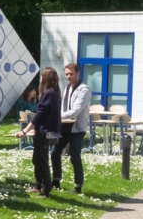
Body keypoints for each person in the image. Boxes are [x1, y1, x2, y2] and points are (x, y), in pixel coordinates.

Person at [17, 67, 60, 197]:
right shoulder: (53, 93)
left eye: (42, 76)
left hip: (43, 132)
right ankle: (37, 185)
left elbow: (39, 115)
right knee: (37, 159)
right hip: (42, 131)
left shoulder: (49, 94)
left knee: (42, 160)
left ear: (46, 78)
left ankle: (46, 189)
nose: (40, 78)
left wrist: (24, 131)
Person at [53, 63, 91, 194]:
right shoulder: (67, 88)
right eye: (67, 74)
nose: (68, 77)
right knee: (54, 152)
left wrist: (56, 116)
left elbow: (75, 111)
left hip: (77, 128)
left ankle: (78, 187)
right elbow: (64, 107)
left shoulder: (84, 90)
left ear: (78, 73)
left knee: (74, 156)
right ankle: (56, 181)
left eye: (71, 74)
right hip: (65, 126)